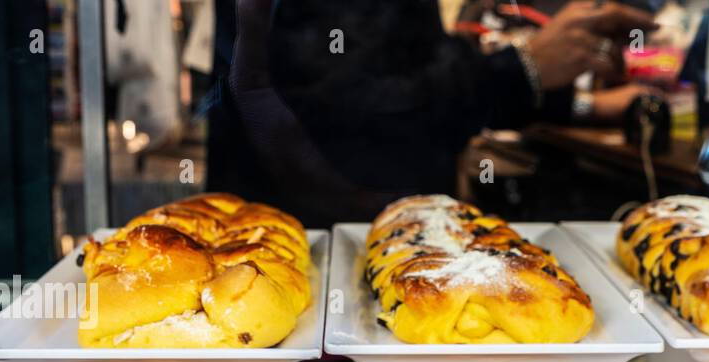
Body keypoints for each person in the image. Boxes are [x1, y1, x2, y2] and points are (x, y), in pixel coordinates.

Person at [206, 0, 656, 224]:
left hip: (381, 235)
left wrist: (577, 101)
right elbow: (349, 110)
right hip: (302, 244)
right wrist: (521, 68)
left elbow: (418, 69)